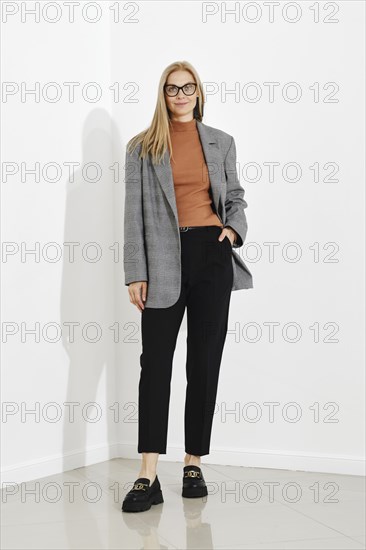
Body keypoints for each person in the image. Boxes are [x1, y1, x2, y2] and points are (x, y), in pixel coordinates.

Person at [122, 61, 253, 512]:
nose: (180, 94)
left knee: (204, 360)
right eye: (172, 88)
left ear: (198, 92)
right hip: (162, 258)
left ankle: (193, 461)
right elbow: (132, 215)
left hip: (210, 255)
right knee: (154, 364)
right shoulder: (141, 147)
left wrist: (232, 231)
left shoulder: (221, 141)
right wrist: (135, 272)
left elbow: (234, 196)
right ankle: (147, 473)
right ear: (162, 94)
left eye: (188, 87)